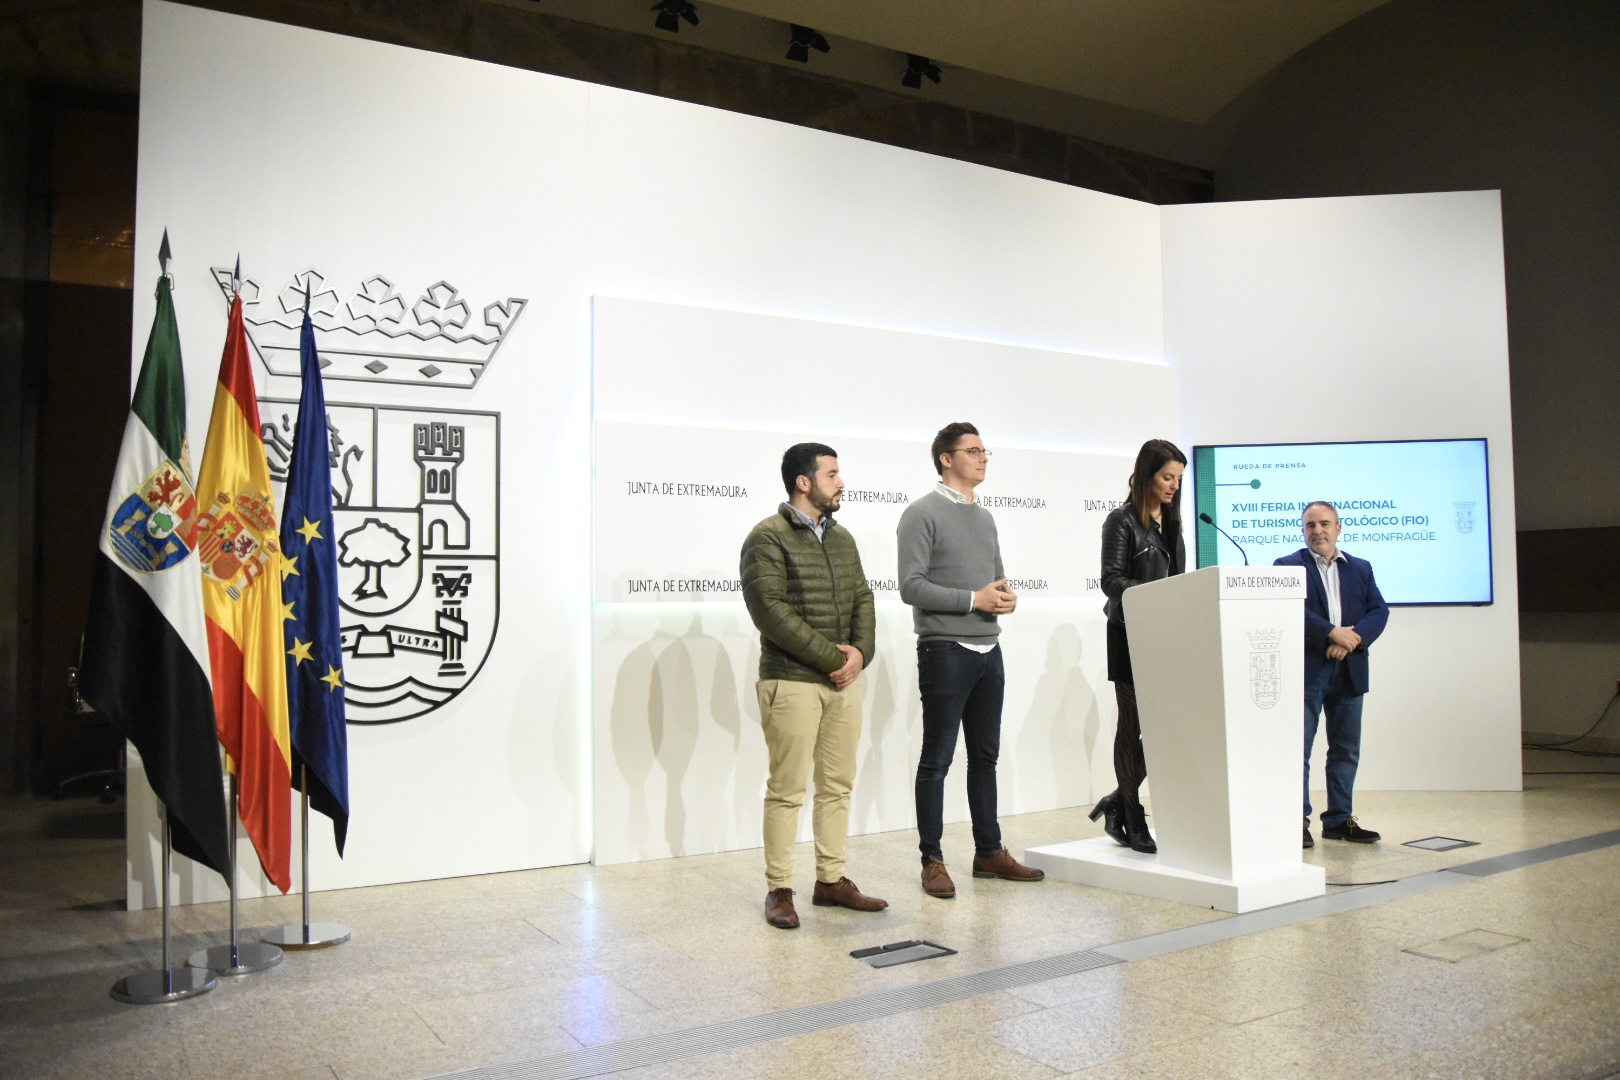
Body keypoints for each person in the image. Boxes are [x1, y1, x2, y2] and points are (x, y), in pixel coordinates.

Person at [740, 443, 887, 929]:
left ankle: (831, 880)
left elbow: (864, 597)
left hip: (843, 682)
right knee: (787, 788)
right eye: (832, 474)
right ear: (804, 482)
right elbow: (771, 613)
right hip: (791, 680)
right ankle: (780, 889)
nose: (841, 482)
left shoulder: (842, 539)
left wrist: (860, 654)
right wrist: (833, 659)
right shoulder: (767, 537)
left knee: (837, 786)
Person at [898, 421, 1044, 899]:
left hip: (989, 647)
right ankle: (932, 860)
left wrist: (1003, 598)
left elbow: (996, 578)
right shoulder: (920, 513)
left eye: (985, 451)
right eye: (973, 450)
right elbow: (911, 586)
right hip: (944, 649)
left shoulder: (985, 517)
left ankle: (989, 851)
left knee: (986, 757)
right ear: (946, 458)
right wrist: (973, 600)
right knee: (936, 759)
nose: (983, 458)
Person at [1275, 501, 1389, 848]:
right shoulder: (1287, 566)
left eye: (1324, 524)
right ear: (1303, 531)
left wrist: (1351, 639)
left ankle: (1339, 820)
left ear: (1338, 528)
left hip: (1349, 670)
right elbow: (1289, 608)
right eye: (1310, 525)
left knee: (1345, 749)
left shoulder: (1361, 567)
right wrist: (1330, 632)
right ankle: (1297, 822)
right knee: (1299, 750)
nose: (1317, 531)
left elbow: (1378, 610)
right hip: (1308, 670)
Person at [1092, 439, 1187, 854]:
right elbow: (1111, 581)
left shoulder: (1172, 523)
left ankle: (1117, 800)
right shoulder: (1121, 521)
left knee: (1168, 727)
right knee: (1131, 727)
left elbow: (1181, 581)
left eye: (1179, 479)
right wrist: (1154, 596)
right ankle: (1132, 813)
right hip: (1129, 635)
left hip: (1166, 638)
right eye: (1167, 477)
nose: (1173, 486)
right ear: (1146, 474)